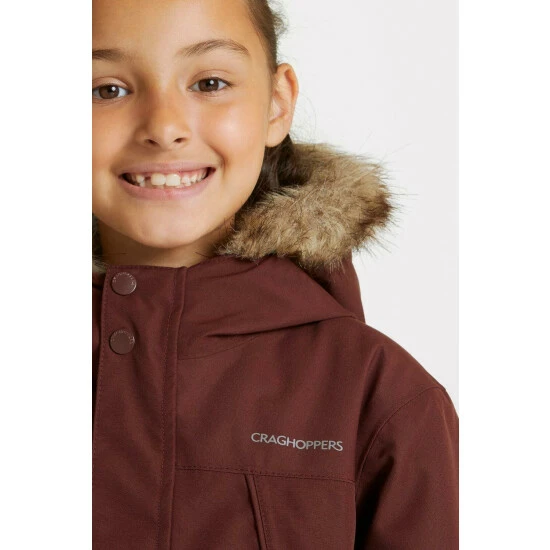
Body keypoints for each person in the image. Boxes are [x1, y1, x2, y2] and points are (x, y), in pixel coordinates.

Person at [92, 0, 459, 548]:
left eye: (210, 83)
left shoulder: (383, 399)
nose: (165, 128)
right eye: (106, 90)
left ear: (277, 104)